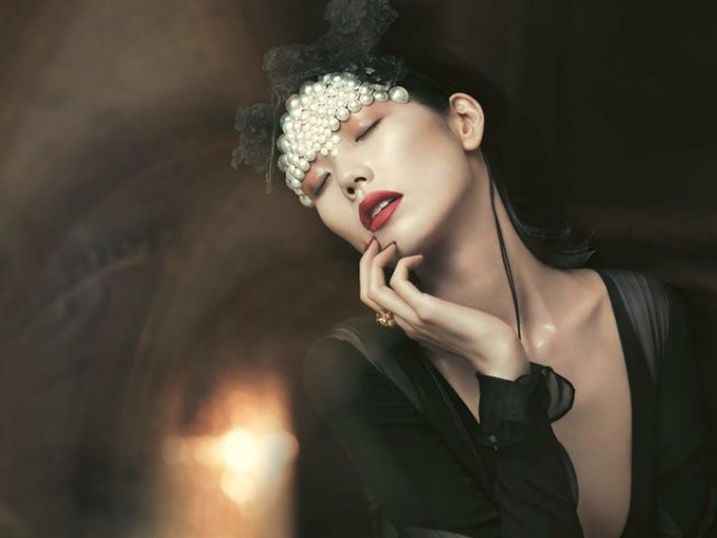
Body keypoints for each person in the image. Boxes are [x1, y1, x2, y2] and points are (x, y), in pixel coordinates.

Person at [232, 2, 716, 537]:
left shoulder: (647, 314)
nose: (348, 178)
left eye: (365, 130)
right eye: (318, 183)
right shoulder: (359, 373)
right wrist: (500, 365)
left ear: (464, 121)